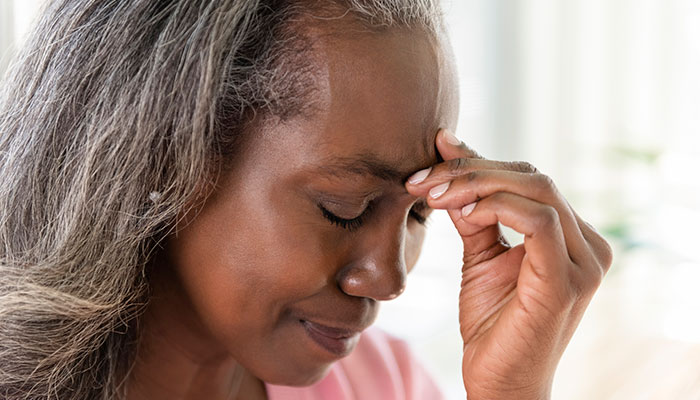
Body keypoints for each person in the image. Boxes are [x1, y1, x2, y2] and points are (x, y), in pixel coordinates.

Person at [0, 0, 613, 399]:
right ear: (159, 157)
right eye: (343, 207)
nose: (388, 279)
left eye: (421, 211)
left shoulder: (384, 384)